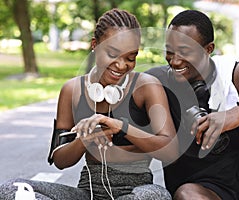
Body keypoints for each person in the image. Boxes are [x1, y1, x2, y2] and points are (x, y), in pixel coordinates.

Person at [0, 8, 177, 200]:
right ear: (95, 45)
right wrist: (85, 140)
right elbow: (59, 159)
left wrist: (121, 127)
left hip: (136, 191)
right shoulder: (72, 90)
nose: (121, 65)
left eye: (130, 57)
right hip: (88, 192)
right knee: (12, 189)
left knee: (155, 197)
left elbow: (170, 150)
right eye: (112, 54)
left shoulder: (146, 86)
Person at [146, 10, 239, 200]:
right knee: (187, 195)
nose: (175, 60)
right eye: (169, 51)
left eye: (185, 52)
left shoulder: (232, 73)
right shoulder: (156, 82)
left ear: (208, 49)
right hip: (203, 189)